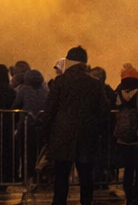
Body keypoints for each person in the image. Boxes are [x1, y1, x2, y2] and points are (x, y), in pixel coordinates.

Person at [40, 46, 109, 205]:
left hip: (62, 136)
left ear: (68, 61)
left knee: (62, 176)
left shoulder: (60, 81)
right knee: (86, 176)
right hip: (87, 136)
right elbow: (104, 110)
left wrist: (46, 134)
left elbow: (50, 110)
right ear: (85, 62)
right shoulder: (95, 83)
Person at [113, 64, 138, 205]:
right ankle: (137, 198)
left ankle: (128, 198)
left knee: (128, 170)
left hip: (123, 139)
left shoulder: (119, 93)